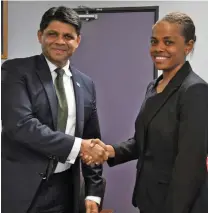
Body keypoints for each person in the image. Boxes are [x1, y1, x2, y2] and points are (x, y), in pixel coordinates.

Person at [87, 12, 208, 213]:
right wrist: (110, 151)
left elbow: (190, 165)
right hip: (149, 198)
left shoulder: (195, 90)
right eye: (154, 41)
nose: (158, 48)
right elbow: (143, 141)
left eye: (168, 42)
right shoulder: (155, 85)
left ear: (188, 46)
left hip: (177, 204)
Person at [1, 6, 108, 213]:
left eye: (68, 36)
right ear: (40, 35)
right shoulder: (16, 71)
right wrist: (80, 146)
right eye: (52, 34)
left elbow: (91, 137)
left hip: (67, 191)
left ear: (77, 41)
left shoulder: (86, 84)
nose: (60, 41)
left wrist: (93, 192)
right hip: (25, 192)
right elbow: (21, 125)